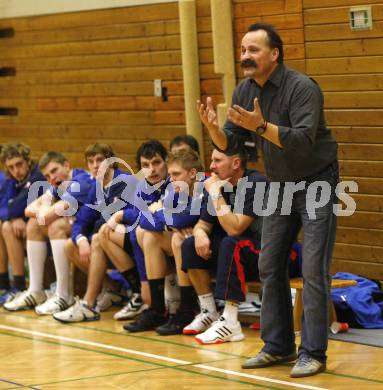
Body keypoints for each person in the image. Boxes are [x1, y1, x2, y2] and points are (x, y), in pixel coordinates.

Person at [198, 23, 339, 377]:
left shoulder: (302, 88)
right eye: (243, 50)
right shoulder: (244, 89)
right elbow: (231, 144)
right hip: (278, 184)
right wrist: (214, 128)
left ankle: (314, 353)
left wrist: (261, 127)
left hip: (316, 180)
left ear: (274, 54)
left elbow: (303, 141)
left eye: (253, 50)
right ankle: (278, 347)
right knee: (269, 263)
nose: (245, 56)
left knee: (313, 269)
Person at [180, 149, 265, 344]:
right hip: (241, 252)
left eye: (217, 161)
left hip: (271, 252)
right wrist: (200, 233)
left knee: (231, 243)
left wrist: (215, 193)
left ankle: (231, 321)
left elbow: (235, 228)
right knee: (190, 244)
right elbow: (202, 225)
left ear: (236, 163)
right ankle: (208, 311)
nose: (211, 166)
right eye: (211, 160)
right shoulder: (221, 185)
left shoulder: (255, 183)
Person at [53, 144, 139, 323]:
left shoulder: (126, 182)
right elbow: (82, 220)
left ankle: (88, 305)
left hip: (133, 241)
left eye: (99, 160)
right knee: (71, 245)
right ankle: (115, 290)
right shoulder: (96, 187)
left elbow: (126, 217)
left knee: (100, 237)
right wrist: (81, 238)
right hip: (111, 240)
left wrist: (95, 230)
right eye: (91, 161)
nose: (95, 165)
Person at [124, 150, 203, 333]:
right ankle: (158, 309)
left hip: (211, 246)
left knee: (177, 238)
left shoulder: (202, 187)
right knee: (149, 236)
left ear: (192, 173)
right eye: (171, 175)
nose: (172, 179)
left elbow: (182, 220)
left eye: (176, 175)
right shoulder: (176, 190)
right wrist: (169, 222)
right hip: (191, 244)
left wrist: (161, 212)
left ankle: (187, 309)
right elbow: (144, 220)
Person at [4, 151, 93, 313]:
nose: (51, 177)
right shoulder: (57, 184)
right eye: (47, 175)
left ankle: (64, 295)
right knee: (33, 225)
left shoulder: (80, 181)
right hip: (78, 230)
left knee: (55, 226)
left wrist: (47, 211)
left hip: (94, 229)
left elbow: (47, 214)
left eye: (54, 171)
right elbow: (28, 210)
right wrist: (46, 211)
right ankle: (35, 290)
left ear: (66, 165)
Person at [0, 143, 46, 304]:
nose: (16, 170)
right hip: (24, 226)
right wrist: (12, 217)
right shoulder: (11, 179)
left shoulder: (38, 176)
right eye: (11, 167)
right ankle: (5, 284)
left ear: (27, 161)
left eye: (19, 164)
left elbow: (17, 205)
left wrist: (11, 214)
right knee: (4, 225)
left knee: (6, 227)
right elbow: (4, 207)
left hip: (43, 228)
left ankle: (18, 286)